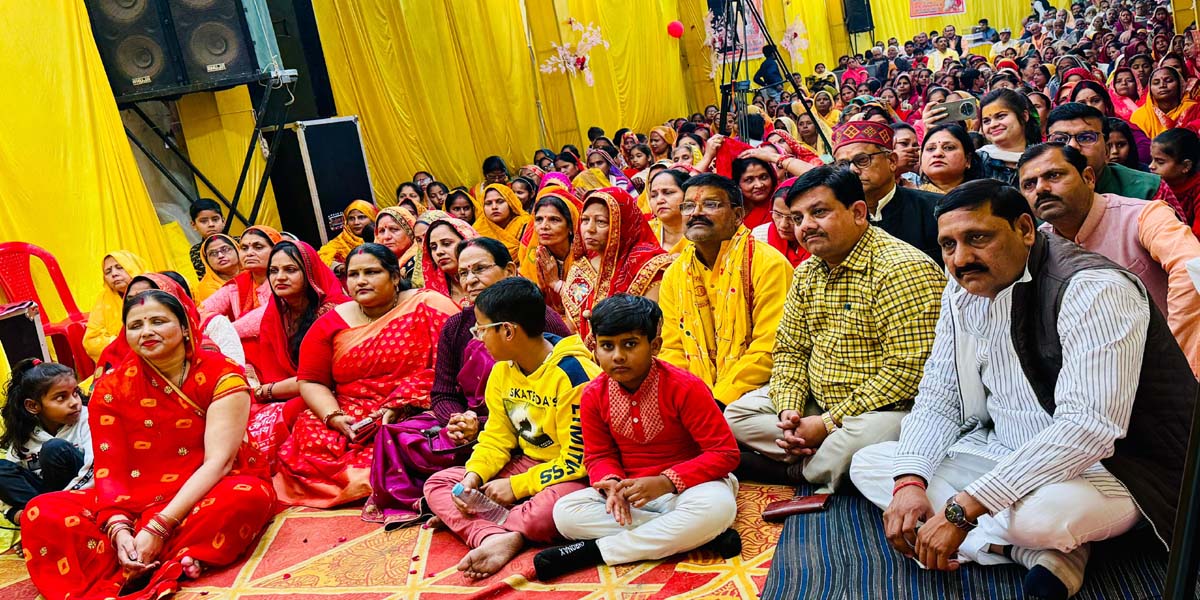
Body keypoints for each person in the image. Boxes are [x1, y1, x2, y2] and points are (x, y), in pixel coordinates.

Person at [850, 178, 1198, 599]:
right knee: (871, 463)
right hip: (1000, 448)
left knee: (1043, 520)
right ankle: (1033, 554)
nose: (961, 258)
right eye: (948, 245)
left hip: (1112, 469)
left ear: (1025, 229)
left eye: (977, 237)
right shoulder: (962, 291)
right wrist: (909, 483)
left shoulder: (1093, 288)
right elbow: (940, 397)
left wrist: (964, 510)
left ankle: (1029, 539)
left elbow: (1088, 429)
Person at [22, 289, 276, 600]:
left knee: (246, 498)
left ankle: (144, 556)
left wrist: (158, 526)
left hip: (207, 488)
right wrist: (118, 528)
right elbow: (109, 468)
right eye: (136, 325)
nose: (147, 332)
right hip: (134, 496)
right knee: (42, 510)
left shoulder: (222, 376)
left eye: (158, 321)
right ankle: (161, 555)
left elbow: (219, 462)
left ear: (185, 328)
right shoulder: (111, 388)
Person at [726, 167, 944, 489]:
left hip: (884, 409)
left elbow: (907, 373)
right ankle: (812, 456)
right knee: (736, 415)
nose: (805, 226)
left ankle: (793, 470)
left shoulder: (901, 269)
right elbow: (790, 350)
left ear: (858, 212)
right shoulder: (808, 272)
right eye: (798, 218)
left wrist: (828, 423)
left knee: (860, 442)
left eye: (819, 212)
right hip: (818, 400)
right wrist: (790, 409)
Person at [534, 294, 742, 580]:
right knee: (566, 512)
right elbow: (598, 455)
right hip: (634, 496)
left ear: (654, 346)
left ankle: (595, 552)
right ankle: (703, 538)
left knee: (717, 508)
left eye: (630, 344)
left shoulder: (685, 387)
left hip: (691, 489)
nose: (617, 356)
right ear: (594, 347)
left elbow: (725, 454)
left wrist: (665, 482)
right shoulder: (593, 395)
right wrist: (612, 484)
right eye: (607, 346)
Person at [367, 238, 571, 527]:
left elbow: (547, 401)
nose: (470, 279)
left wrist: (482, 426)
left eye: (480, 269)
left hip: (532, 436)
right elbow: (442, 392)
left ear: (510, 269)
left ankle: (484, 517)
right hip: (482, 431)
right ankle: (486, 513)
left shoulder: (538, 322)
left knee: (550, 510)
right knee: (404, 443)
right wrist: (459, 421)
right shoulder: (456, 326)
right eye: (463, 273)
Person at [423, 278, 600, 579]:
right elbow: (496, 436)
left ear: (507, 330)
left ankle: (511, 531)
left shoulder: (573, 375)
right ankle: (494, 536)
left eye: (481, 329)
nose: (478, 339)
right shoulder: (502, 371)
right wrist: (473, 476)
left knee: (543, 516)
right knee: (438, 485)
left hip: (575, 476)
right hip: (526, 465)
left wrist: (516, 487)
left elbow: (578, 461)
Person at [272, 244, 457, 508]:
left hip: (416, 409)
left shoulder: (429, 305)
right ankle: (376, 481)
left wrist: (402, 404)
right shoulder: (332, 321)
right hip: (351, 413)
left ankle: (384, 480)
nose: (361, 281)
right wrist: (334, 417)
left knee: (421, 440)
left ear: (394, 277)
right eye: (353, 274)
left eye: (371, 272)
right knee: (308, 437)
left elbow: (454, 366)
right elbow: (311, 380)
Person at [1017, 142, 1200, 375]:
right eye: (1029, 184)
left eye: (1053, 175)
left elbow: (1191, 270)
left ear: (1088, 178)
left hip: (1169, 373)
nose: (1041, 189)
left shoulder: (1144, 216)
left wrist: (1176, 360)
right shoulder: (1039, 245)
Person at [658, 174, 792, 407]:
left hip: (759, 389)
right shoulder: (674, 273)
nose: (696, 213)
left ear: (738, 215)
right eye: (688, 206)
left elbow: (770, 347)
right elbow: (671, 348)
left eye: (711, 204)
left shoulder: (767, 264)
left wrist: (720, 398)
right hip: (694, 395)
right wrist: (688, 398)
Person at [246, 240, 350, 472]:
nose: (279, 277)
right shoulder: (275, 316)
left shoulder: (336, 311)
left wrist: (265, 392)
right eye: (274, 271)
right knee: (244, 413)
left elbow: (324, 378)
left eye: (290, 270)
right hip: (285, 392)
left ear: (310, 273)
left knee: (294, 409)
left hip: (333, 393)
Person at [561, 189, 673, 341]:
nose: (590, 229)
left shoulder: (650, 266)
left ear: (622, 224)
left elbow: (655, 329)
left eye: (601, 221)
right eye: (585, 220)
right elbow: (572, 329)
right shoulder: (580, 267)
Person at [1045, 103, 1184, 219]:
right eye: (1060, 140)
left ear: (1106, 149)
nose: (1072, 146)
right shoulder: (1036, 192)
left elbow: (1180, 246)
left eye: (1086, 137)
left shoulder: (1149, 189)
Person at [832, 121, 943, 265]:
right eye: (843, 165)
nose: (853, 170)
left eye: (863, 160)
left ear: (891, 161)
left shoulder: (935, 209)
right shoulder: (837, 219)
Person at [0, 359, 91, 527]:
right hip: (46, 499)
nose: (74, 402)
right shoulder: (25, 434)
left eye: (75, 393)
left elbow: (97, 471)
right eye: (61, 397)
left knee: (55, 448)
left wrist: (53, 505)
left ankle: (46, 519)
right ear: (33, 406)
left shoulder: (88, 419)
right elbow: (8, 488)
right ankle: (45, 521)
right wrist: (12, 513)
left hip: (83, 496)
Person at [200, 225, 283, 344]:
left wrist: (224, 333)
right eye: (244, 248)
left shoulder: (285, 280)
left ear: (276, 251)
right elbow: (201, 313)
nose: (249, 253)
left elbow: (270, 313)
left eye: (258, 247)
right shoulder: (237, 285)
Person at [519, 189, 582, 318]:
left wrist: (555, 283)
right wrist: (540, 290)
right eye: (539, 219)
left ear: (571, 227)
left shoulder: (583, 258)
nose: (544, 226)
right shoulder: (534, 257)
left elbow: (588, 303)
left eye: (554, 220)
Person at [83, 250, 149, 361]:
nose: (114, 274)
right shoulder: (104, 299)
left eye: (120, 267)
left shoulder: (156, 287)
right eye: (108, 271)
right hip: (122, 361)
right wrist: (124, 344)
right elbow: (91, 342)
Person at [978, 89, 1042, 185]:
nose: (993, 125)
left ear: (1024, 116)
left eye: (1001, 116)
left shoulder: (1044, 157)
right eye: (986, 121)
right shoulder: (977, 162)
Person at [421, 216, 480, 308]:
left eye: (446, 244)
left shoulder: (489, 281)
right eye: (433, 247)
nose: (439, 252)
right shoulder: (432, 293)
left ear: (467, 241)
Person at [1151, 129, 1200, 235]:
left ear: (1186, 166)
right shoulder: (1155, 186)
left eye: (1160, 162)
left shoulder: (1197, 189)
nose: (1151, 166)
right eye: (1152, 160)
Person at [751, 180, 810, 267]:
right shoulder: (759, 236)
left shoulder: (816, 240)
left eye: (792, 218)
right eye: (778, 214)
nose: (783, 225)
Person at [1131, 66, 1200, 137]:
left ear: (1180, 85)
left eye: (1169, 80)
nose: (1162, 85)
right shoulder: (1140, 116)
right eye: (1156, 83)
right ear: (1150, 89)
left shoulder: (1194, 109)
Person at [472, 183, 532, 263]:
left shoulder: (526, 224)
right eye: (488, 203)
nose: (494, 207)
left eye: (500, 201)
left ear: (510, 203)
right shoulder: (476, 231)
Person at [318, 200, 378, 275]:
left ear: (373, 218)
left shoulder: (382, 237)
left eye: (362, 217)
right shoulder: (340, 241)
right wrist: (339, 267)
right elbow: (320, 258)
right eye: (351, 218)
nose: (356, 222)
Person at [920, 123, 983, 194]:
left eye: (949, 148)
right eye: (931, 148)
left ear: (968, 159)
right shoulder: (910, 200)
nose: (937, 153)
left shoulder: (986, 199)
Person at [375, 207, 421, 283]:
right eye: (381, 231)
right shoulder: (373, 264)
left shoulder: (420, 264)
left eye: (394, 229)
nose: (386, 237)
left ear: (411, 232)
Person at [731, 156, 779, 230]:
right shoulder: (731, 211)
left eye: (763, 177)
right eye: (749, 180)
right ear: (738, 184)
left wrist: (774, 157)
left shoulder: (781, 202)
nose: (759, 185)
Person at [195, 234, 240, 304]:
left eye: (225, 249)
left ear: (237, 250)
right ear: (206, 261)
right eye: (213, 253)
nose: (220, 256)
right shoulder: (206, 288)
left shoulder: (254, 272)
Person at [188, 199, 226, 280]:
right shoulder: (196, 251)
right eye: (204, 221)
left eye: (215, 219)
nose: (211, 224)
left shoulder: (239, 243)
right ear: (194, 225)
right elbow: (205, 279)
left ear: (223, 221)